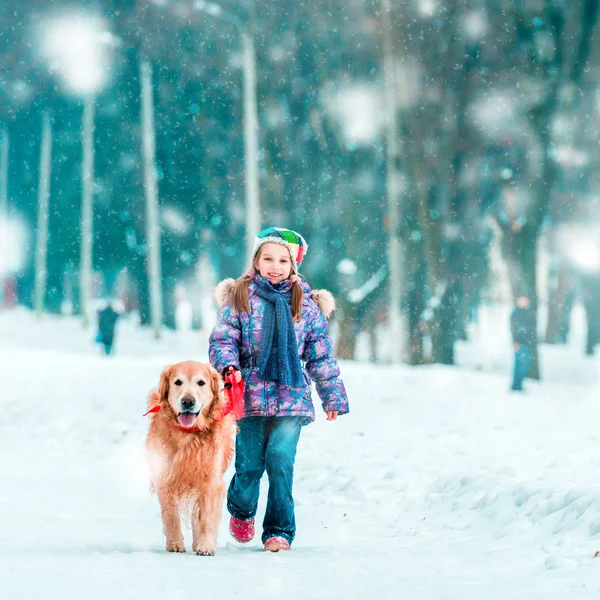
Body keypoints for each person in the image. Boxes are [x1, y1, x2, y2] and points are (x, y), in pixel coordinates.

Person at [209, 226, 349, 552]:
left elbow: (320, 353)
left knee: (280, 462)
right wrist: (228, 367)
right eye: (268, 258)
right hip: (250, 399)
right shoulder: (240, 299)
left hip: (292, 397)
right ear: (256, 261)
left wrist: (332, 395)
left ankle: (279, 531)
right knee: (249, 467)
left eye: (282, 260)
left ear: (293, 265)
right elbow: (223, 339)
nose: (275, 266)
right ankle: (241, 510)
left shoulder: (307, 305)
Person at [510, 295, 536, 391]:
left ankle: (517, 385)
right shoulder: (516, 314)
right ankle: (516, 385)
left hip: (527, 342)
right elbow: (513, 329)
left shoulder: (528, 313)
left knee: (524, 366)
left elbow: (531, 329)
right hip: (519, 343)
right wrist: (515, 341)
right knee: (520, 365)